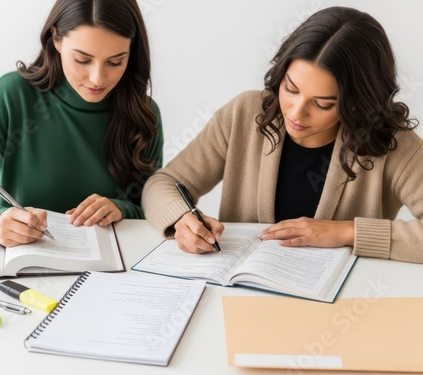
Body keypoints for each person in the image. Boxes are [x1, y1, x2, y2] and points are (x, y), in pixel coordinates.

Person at [142, 6, 423, 264]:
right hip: (240, 295)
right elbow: (162, 184)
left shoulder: (393, 144)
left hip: (343, 304)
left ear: (358, 102)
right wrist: (182, 218)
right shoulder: (243, 113)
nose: (297, 113)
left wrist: (347, 232)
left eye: (323, 104)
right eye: (290, 89)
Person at [0, 0, 163, 247]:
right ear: (56, 39)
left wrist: (122, 209)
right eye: (82, 59)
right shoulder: (12, 96)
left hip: (113, 273)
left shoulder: (143, 113)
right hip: (23, 267)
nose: (97, 78)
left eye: (115, 62)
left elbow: (155, 207)